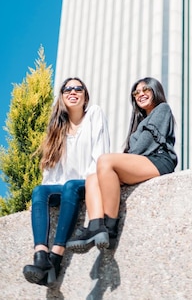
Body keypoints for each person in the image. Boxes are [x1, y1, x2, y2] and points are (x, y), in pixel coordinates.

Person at [66, 76, 177, 252]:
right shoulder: (139, 121)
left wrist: (122, 161)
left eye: (145, 90)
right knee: (93, 178)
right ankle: (96, 226)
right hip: (143, 162)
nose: (140, 94)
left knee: (105, 160)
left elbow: (146, 143)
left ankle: (110, 227)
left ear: (155, 91)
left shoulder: (162, 109)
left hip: (159, 161)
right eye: (136, 92)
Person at [23, 77, 110, 286]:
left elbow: (100, 157)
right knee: (39, 191)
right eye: (67, 89)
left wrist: (89, 181)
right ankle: (41, 257)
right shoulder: (57, 130)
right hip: (66, 187)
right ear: (62, 97)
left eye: (78, 88)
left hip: (91, 182)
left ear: (85, 96)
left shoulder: (94, 114)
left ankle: (56, 257)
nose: (73, 92)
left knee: (71, 185)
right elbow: (51, 172)